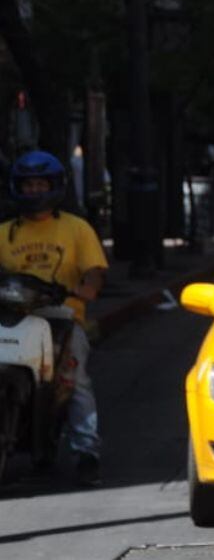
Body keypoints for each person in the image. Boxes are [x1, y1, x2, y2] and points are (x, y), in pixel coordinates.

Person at [0, 149, 109, 486]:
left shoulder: (77, 229)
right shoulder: (4, 232)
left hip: (61, 317)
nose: (33, 191)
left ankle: (86, 451)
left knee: (73, 382)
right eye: (28, 185)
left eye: (39, 184)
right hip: (11, 314)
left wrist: (83, 287)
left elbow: (94, 273)